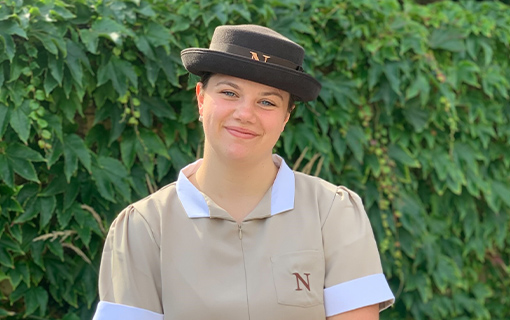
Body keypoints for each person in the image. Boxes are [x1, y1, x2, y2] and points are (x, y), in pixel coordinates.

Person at [92, 24, 394, 320]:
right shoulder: (143, 227)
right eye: (229, 93)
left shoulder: (332, 213)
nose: (245, 114)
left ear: (286, 117)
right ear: (200, 98)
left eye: (267, 102)